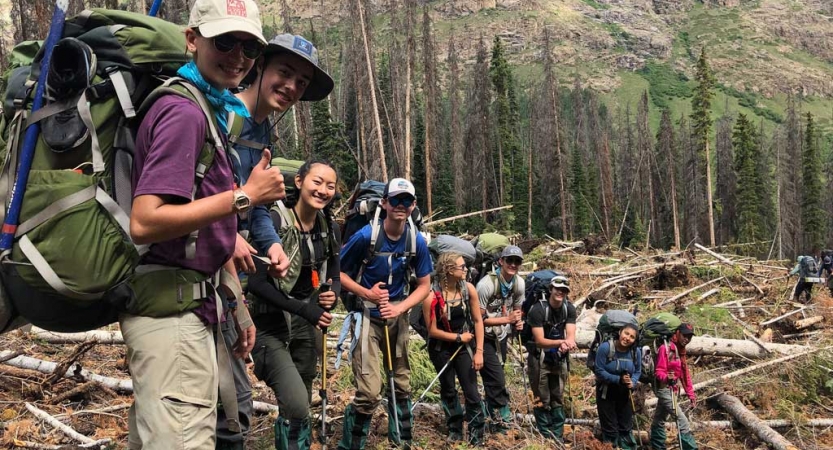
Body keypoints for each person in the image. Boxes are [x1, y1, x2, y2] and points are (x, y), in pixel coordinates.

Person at [125, 0, 286, 447]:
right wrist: (246, 196)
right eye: (225, 41)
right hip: (171, 316)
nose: (238, 56)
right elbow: (146, 221)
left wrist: (236, 303)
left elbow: (210, 235)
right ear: (192, 39)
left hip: (190, 308)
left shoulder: (208, 110)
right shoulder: (184, 112)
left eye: (249, 47)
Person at [217, 33, 334, 450]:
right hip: (201, 275)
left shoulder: (262, 130)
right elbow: (211, 195)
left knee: (234, 406)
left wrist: (271, 245)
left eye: (302, 82)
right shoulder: (223, 115)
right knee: (228, 409)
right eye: (285, 72)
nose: (292, 86)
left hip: (228, 282)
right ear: (259, 65)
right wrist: (228, 235)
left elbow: (258, 205)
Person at [247, 159, 341, 450]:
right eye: (317, 182)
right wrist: (305, 309)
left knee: (305, 385)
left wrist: (332, 293)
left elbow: (335, 272)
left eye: (330, 185)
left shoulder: (329, 226)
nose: (323, 190)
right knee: (298, 403)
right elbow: (256, 282)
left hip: (306, 321)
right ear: (299, 182)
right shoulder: (274, 221)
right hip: (269, 324)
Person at [337, 178, 433, 449]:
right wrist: (366, 293)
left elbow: (425, 285)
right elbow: (339, 273)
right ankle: (351, 443)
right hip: (366, 315)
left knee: (401, 385)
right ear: (384, 203)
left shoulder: (416, 241)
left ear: (413, 205)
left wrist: (401, 307)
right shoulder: (365, 236)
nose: (400, 206)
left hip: (397, 315)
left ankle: (402, 441)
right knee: (369, 392)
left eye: (406, 201)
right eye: (395, 200)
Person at [423, 253, 485, 445]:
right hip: (441, 348)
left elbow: (477, 321)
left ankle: (477, 432)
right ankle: (455, 428)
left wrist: (479, 351)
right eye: (462, 267)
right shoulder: (432, 296)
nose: (466, 270)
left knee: (471, 390)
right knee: (449, 389)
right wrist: (458, 337)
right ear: (449, 270)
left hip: (464, 347)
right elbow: (432, 331)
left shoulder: (469, 290)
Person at [475, 245, 526, 433]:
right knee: (497, 379)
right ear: (501, 261)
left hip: (502, 336)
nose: (513, 264)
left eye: (517, 261)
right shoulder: (486, 285)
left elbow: (517, 310)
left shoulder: (519, 284)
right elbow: (477, 320)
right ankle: (502, 422)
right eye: (509, 260)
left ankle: (491, 418)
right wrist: (507, 319)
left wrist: (517, 323)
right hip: (484, 337)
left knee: (493, 379)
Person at [525, 275, 577, 442]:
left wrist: (567, 343)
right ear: (550, 289)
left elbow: (570, 335)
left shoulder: (569, 309)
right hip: (538, 356)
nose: (560, 292)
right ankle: (545, 435)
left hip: (558, 357)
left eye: (564, 290)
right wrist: (563, 342)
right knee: (542, 395)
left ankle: (557, 435)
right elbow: (540, 341)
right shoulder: (538, 310)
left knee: (558, 395)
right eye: (557, 289)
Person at [650, 323, 698, 450]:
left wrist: (691, 394)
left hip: (674, 390)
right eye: (684, 336)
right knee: (682, 421)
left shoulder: (680, 351)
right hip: (665, 390)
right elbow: (658, 371)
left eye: (689, 337)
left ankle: (657, 446)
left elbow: (684, 373)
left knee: (659, 420)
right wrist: (667, 377)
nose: (686, 339)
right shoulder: (665, 349)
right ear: (677, 333)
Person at [594, 323, 642, 449]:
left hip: (625, 393)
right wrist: (617, 379)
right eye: (626, 333)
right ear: (620, 332)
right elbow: (599, 370)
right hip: (606, 392)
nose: (628, 338)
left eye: (632, 337)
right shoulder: (605, 348)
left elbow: (637, 371)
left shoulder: (635, 352)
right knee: (610, 429)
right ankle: (611, 446)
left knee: (626, 427)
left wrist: (633, 381)